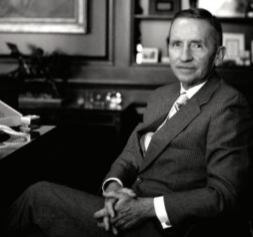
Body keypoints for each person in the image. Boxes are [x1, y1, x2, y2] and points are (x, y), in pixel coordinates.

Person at [0, 8, 252, 237]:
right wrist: (113, 189)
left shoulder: (228, 104)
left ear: (218, 56)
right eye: (177, 44)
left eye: (197, 46)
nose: (184, 55)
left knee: (38, 197)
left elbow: (224, 195)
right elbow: (131, 155)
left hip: (168, 227)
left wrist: (146, 209)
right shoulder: (162, 95)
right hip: (127, 208)